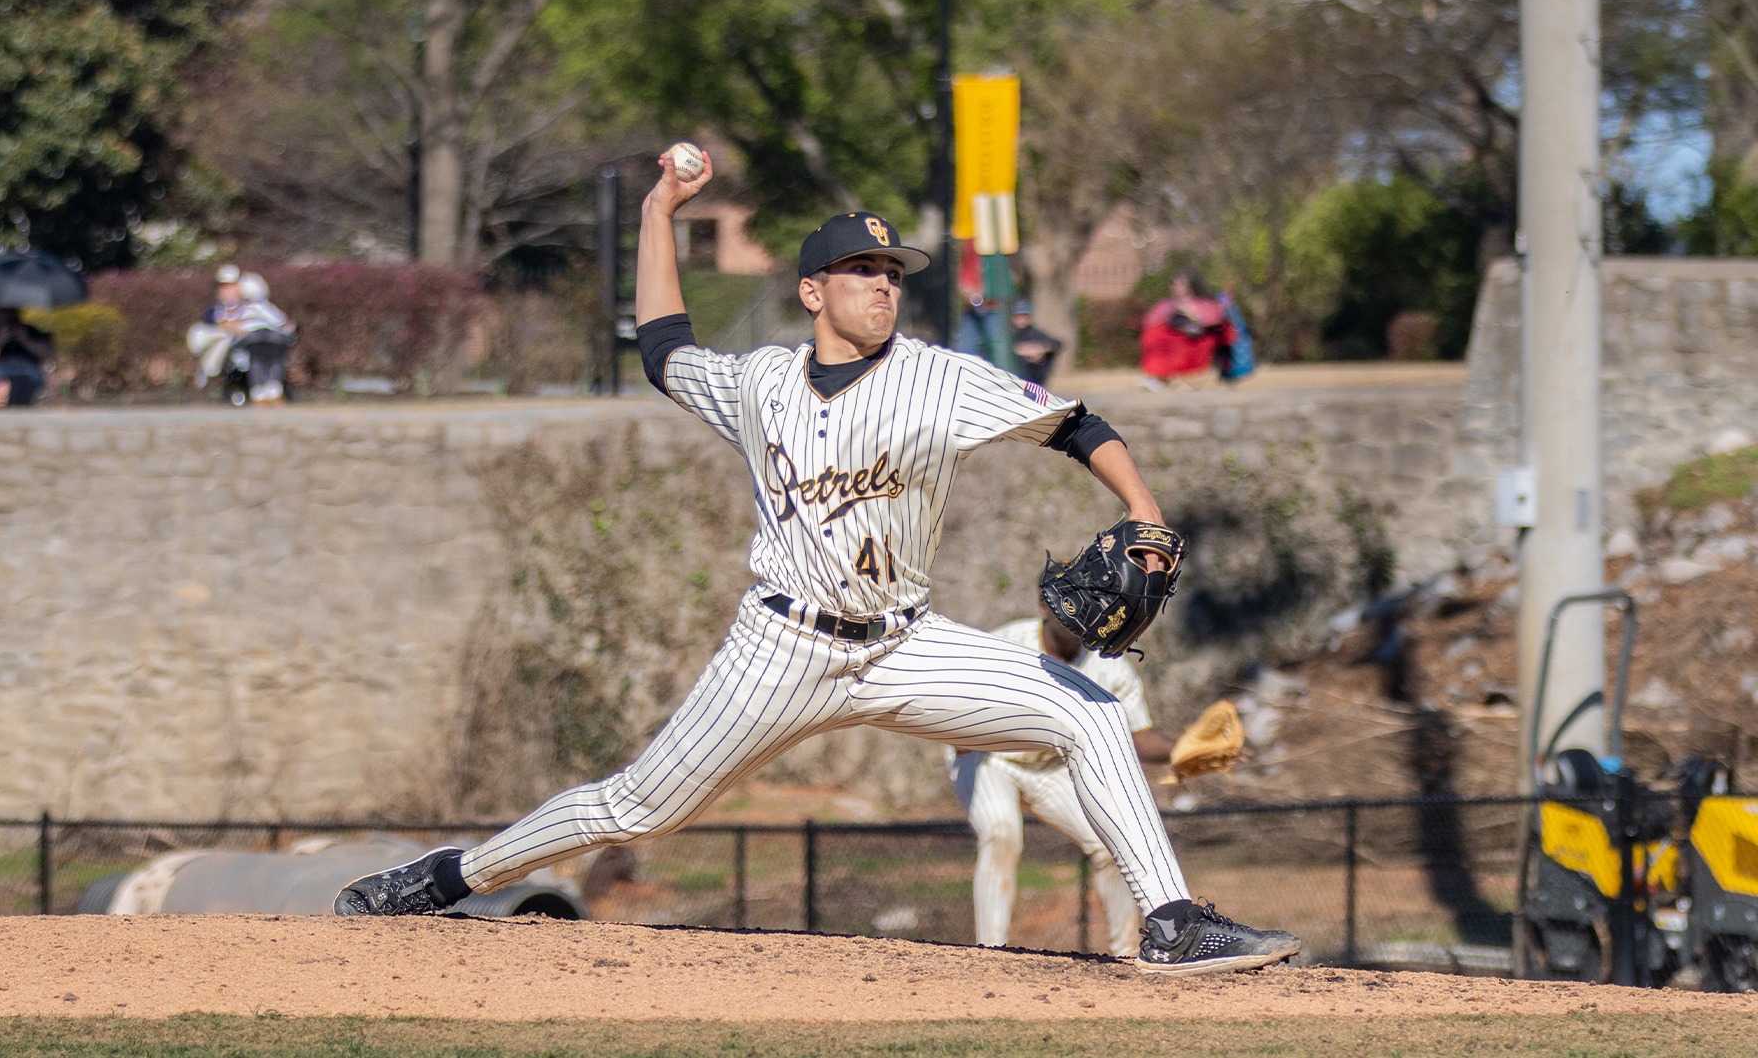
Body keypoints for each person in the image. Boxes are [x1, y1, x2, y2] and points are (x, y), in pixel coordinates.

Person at [334, 146, 1300, 977]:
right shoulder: (760, 383)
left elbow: (1077, 422)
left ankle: (1171, 923)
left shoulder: (943, 377)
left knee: (1086, 710)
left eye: (891, 271)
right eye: (858, 270)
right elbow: (664, 349)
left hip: (906, 642)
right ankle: (449, 875)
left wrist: (1144, 509)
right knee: (637, 807)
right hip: (780, 650)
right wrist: (658, 211)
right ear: (812, 292)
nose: (882, 284)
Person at [949, 591, 1176, 958]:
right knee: (1001, 833)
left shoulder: (1109, 664)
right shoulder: (1007, 643)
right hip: (989, 758)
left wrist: (1181, 750)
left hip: (1050, 765)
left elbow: (1137, 738)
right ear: (1043, 605)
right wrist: (958, 733)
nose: (1081, 612)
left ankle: (1127, 954)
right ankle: (990, 953)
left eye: (1090, 604)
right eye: (1070, 602)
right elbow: (953, 698)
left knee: (1109, 843)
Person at [1138, 270, 1235, 390]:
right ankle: (1158, 377)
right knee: (1153, 335)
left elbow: (1214, 321)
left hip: (1196, 342)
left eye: (1181, 284)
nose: (1176, 287)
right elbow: (1149, 323)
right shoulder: (1166, 304)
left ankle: (1162, 378)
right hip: (1172, 341)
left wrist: (1191, 314)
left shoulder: (1203, 304)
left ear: (1191, 286)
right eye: (1173, 283)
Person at [0, 307, 53, 408]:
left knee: (22, 385)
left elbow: (46, 353)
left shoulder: (28, 330)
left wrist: (25, 339)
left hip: (27, 371)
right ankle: (0, 403)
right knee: (1, 385)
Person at [1008, 301, 1063, 387]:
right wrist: (1023, 351)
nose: (1021, 319)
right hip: (1014, 376)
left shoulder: (1034, 332)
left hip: (1035, 377)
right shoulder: (1008, 334)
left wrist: (1040, 349)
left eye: (1024, 315)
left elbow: (1057, 343)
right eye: (1018, 316)